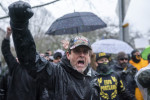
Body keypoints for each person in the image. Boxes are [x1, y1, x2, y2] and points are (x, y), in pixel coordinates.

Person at [8, 1, 100, 100]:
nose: (82, 54)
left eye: (85, 51)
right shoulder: (57, 74)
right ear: (68, 55)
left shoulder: (93, 76)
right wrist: (19, 25)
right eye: (77, 51)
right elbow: (31, 60)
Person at [1, 27, 38, 100]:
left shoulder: (38, 69)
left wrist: (8, 35)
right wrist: (8, 35)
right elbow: (6, 52)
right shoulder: (16, 67)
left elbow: (6, 52)